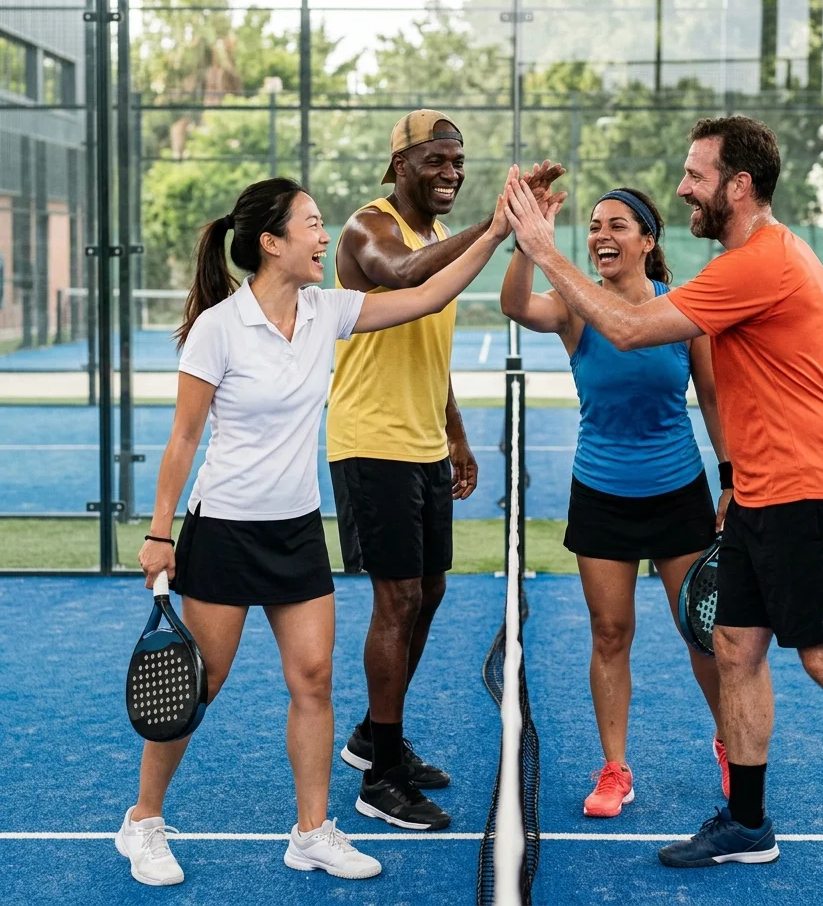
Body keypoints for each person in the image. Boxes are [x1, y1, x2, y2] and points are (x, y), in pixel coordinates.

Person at [501, 117, 823, 903]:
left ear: (737, 186)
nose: (684, 187)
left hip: (807, 491)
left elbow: (631, 324)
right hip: (759, 492)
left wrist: (542, 245)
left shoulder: (763, 261)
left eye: (695, 175)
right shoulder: (743, 262)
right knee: (737, 648)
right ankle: (746, 822)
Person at [117, 176, 512, 887]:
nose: (324, 235)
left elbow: (425, 296)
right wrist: (158, 534)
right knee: (198, 686)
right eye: (311, 223)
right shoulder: (218, 328)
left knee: (315, 681)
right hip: (225, 529)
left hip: (296, 529)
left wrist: (495, 231)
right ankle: (143, 821)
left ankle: (311, 832)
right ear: (271, 243)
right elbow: (183, 439)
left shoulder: (324, 309)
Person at [326, 110, 564, 830]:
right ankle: (381, 779)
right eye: (437, 161)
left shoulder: (435, 241)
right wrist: (496, 231)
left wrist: (456, 437)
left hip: (422, 445)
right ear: (399, 165)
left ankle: (375, 737)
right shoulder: (367, 230)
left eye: (458, 162)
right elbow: (400, 275)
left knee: (427, 594)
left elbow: (430, 354)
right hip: (370, 445)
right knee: (395, 601)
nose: (451, 173)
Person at [500, 183, 732, 818]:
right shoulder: (577, 308)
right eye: (595, 225)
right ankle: (614, 769)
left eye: (618, 226)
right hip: (600, 494)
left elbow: (711, 399)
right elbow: (515, 304)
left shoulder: (682, 310)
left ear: (648, 241)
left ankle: (732, 747)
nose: (602, 235)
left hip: (679, 491)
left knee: (702, 633)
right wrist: (531, 238)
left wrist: (732, 475)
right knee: (610, 633)